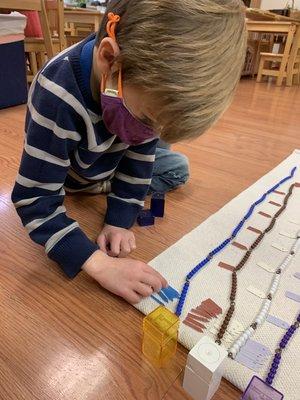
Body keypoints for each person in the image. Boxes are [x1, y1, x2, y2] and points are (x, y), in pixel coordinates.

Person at [11, 0, 246, 304]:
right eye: (149, 120)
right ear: (109, 58)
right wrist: (100, 264)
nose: (150, 132)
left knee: (173, 162)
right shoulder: (57, 97)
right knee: (157, 151)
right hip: (72, 173)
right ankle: (100, 185)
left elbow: (139, 157)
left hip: (110, 154)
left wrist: (119, 219)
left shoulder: (139, 97)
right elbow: (34, 198)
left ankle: (114, 176)